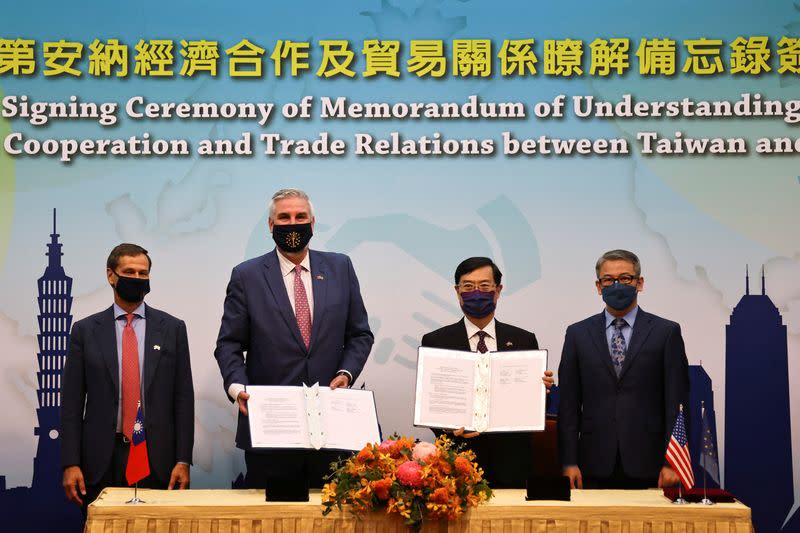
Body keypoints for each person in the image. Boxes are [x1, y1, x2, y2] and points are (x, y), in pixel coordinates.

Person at [214, 188, 374, 489]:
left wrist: (345, 372)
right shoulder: (246, 275)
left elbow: (360, 334)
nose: (293, 223)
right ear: (271, 226)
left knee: (332, 519)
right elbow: (229, 344)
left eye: (300, 216)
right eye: (284, 217)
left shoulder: (341, 267)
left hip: (332, 428)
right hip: (271, 427)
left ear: (313, 223)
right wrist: (237, 388)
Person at [61, 244, 194, 515]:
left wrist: (183, 459)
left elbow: (183, 400)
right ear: (111, 275)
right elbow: (72, 404)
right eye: (129, 271)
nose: (137, 278)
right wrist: (70, 463)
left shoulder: (172, 329)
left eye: (143, 273)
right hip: (100, 460)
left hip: (157, 459)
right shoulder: (85, 331)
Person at [557, 249, 690, 489]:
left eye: (625, 278)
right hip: (592, 464)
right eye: (608, 280)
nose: (616, 285)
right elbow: (568, 406)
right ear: (599, 286)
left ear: (639, 283)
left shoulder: (666, 332)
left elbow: (676, 403)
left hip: (651, 464)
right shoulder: (577, 334)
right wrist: (568, 462)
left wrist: (672, 463)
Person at [420, 256, 554, 488]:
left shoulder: (523, 339)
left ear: (498, 290)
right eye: (468, 287)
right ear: (457, 291)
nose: (476, 292)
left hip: (513, 462)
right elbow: (432, 401)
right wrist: (446, 425)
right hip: (458, 462)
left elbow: (534, 406)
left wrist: (543, 391)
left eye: (484, 286)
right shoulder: (436, 340)